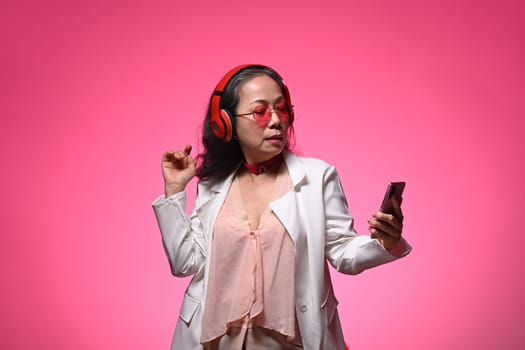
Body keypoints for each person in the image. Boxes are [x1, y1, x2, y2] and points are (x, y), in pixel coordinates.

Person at [152, 64, 411, 350]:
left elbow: (343, 253)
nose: (276, 120)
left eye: (282, 109)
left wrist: (384, 243)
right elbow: (184, 263)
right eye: (260, 112)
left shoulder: (317, 177)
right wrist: (174, 192)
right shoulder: (212, 186)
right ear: (226, 124)